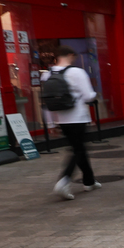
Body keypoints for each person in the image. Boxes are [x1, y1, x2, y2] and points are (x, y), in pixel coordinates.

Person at [44, 45, 99, 199]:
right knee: (78, 150)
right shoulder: (77, 72)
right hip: (78, 117)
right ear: (70, 55)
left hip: (61, 119)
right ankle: (64, 180)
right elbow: (88, 96)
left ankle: (89, 181)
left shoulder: (48, 74)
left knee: (78, 148)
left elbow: (47, 103)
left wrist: (51, 124)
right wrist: (95, 94)